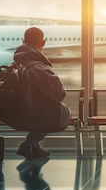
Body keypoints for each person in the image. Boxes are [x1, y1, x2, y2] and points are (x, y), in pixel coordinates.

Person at [14, 27, 69, 160]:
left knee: (42, 107)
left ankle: (35, 147)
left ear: (23, 41)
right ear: (43, 43)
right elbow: (59, 94)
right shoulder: (37, 67)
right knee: (60, 110)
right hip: (31, 113)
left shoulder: (15, 64)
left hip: (15, 111)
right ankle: (29, 144)